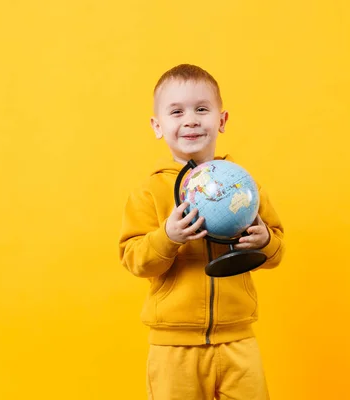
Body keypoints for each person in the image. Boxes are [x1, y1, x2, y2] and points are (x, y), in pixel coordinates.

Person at [118, 64, 285, 400]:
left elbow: (277, 249)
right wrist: (168, 236)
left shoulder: (243, 186)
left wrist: (265, 240)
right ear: (158, 126)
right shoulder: (150, 191)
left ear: (221, 121)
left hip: (238, 339)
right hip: (173, 347)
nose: (191, 120)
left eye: (202, 109)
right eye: (177, 111)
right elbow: (134, 259)